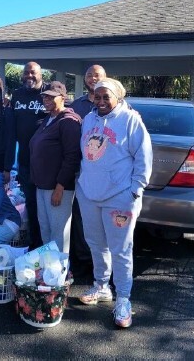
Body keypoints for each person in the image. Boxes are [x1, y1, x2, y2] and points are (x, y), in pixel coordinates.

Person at [76, 78, 152, 328]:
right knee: (96, 244)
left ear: (118, 97)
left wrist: (134, 191)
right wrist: (82, 184)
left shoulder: (130, 120)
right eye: (97, 97)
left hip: (119, 197)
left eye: (105, 97)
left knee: (121, 250)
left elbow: (143, 158)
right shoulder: (88, 119)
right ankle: (101, 286)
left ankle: (123, 298)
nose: (100, 102)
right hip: (89, 194)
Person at [29, 81, 81, 254]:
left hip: (58, 188)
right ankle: (49, 272)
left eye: (51, 96)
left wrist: (60, 187)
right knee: (46, 231)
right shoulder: (48, 119)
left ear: (63, 98)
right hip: (42, 186)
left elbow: (72, 157)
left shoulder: (69, 121)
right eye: (44, 96)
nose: (46, 99)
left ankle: (60, 275)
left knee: (58, 235)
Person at [69, 64, 107, 276]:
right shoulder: (76, 105)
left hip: (103, 173)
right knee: (80, 214)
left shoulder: (115, 106)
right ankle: (82, 256)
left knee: (102, 216)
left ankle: (100, 259)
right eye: (90, 75)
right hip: (80, 170)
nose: (93, 78)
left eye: (97, 75)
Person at [10, 61, 50, 249]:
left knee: (48, 207)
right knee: (32, 205)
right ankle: (36, 245)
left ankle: (51, 245)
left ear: (41, 75)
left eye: (33, 73)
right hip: (25, 162)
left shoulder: (49, 93)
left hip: (46, 163)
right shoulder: (17, 95)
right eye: (26, 73)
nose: (29, 76)